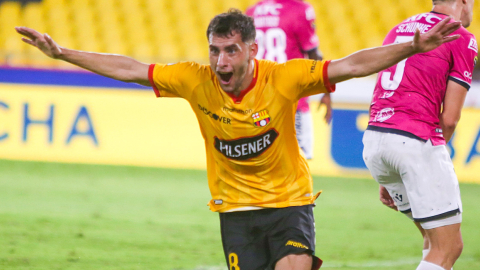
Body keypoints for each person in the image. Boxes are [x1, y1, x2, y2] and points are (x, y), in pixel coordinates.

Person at [15, 8, 460, 270]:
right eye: (214, 50)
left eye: (230, 51)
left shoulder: (284, 78)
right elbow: (130, 68)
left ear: (252, 50)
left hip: (290, 205)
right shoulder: (193, 79)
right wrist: (62, 53)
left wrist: (409, 47)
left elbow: (351, 65)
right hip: (236, 212)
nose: (220, 61)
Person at [362, 1, 476, 270]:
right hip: (414, 140)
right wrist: (425, 157)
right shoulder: (460, 36)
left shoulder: (399, 29)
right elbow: (449, 118)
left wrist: (390, 173)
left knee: (432, 235)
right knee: (449, 246)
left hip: (376, 140)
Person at [246, 0, 332, 160]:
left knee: (261, 158)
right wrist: (326, 92)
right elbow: (314, 55)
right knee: (297, 161)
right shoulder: (300, 9)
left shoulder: (252, 11)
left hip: (258, 100)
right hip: (292, 100)